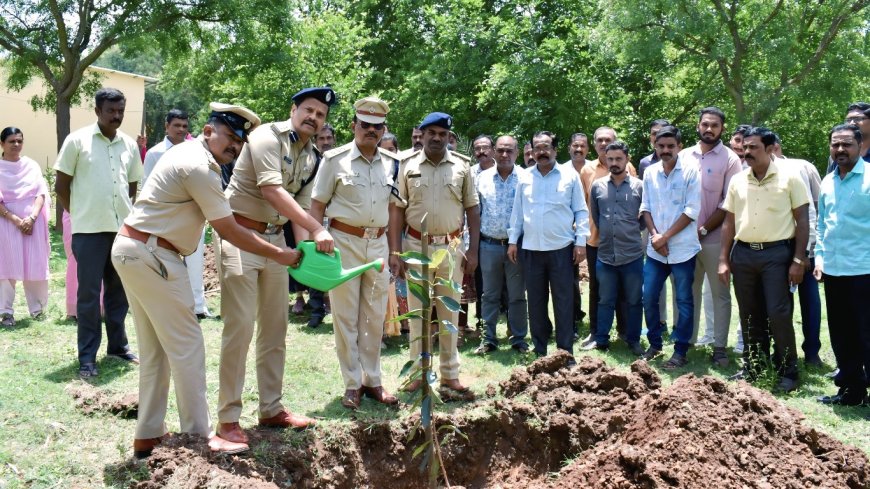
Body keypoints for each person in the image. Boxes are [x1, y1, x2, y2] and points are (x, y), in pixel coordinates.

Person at [113, 103, 303, 458]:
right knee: (188, 348)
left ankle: (149, 435)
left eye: (239, 141)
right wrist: (279, 253)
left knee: (156, 352)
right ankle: (198, 439)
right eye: (229, 136)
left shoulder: (194, 157)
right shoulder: (199, 166)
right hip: (153, 253)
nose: (234, 145)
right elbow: (228, 227)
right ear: (207, 130)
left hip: (136, 248)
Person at [217, 87, 336, 444]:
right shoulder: (265, 135)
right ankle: (228, 420)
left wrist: (307, 251)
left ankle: (271, 409)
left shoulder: (312, 157)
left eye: (321, 115)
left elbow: (298, 207)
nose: (314, 118)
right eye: (309, 110)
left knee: (275, 328)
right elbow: (272, 190)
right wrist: (318, 228)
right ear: (294, 109)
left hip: (275, 240)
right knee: (239, 328)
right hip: (239, 234)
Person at [309, 96, 400, 410]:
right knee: (345, 317)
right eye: (365, 125)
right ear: (354, 126)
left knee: (374, 317)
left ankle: (372, 380)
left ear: (383, 128)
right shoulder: (334, 160)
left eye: (377, 127)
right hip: (343, 242)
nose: (370, 131)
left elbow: (392, 207)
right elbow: (317, 206)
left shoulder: (392, 162)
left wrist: (394, 251)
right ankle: (352, 383)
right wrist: (317, 242)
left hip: (378, 245)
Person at [54, 87, 142, 379]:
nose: (116, 116)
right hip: (89, 231)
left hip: (121, 232)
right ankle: (87, 358)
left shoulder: (129, 145)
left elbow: (131, 187)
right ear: (97, 111)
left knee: (119, 292)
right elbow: (62, 186)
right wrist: (78, 213)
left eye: (120, 111)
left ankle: (117, 347)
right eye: (110, 111)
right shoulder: (77, 141)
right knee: (89, 296)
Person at [389, 112, 480, 393]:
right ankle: (417, 372)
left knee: (449, 314)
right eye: (432, 133)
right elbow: (397, 210)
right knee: (417, 313)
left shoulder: (463, 167)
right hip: (416, 246)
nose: (437, 138)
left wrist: (473, 250)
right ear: (422, 134)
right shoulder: (406, 165)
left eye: (443, 134)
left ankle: (450, 374)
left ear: (449, 137)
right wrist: (395, 251)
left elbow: (472, 209)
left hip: (452, 248)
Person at [719, 127, 809, 393]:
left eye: (754, 147)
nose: (747, 153)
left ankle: (788, 371)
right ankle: (754, 365)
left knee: (778, 313)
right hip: (744, 253)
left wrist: (798, 260)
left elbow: (802, 220)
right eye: (745, 147)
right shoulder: (738, 180)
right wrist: (723, 259)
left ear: (770, 149)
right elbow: (729, 221)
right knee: (749, 313)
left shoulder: (790, 177)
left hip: (777, 255)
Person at [508, 131, 588, 364]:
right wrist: (513, 240)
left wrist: (580, 242)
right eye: (537, 148)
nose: (541, 152)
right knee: (535, 301)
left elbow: (581, 211)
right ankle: (540, 351)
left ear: (555, 150)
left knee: (564, 301)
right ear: (532, 151)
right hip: (531, 249)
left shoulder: (569, 175)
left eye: (546, 147)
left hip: (561, 248)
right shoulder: (524, 177)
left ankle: (565, 353)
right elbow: (517, 212)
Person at [679, 107, 742, 367]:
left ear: (722, 129)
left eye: (714, 125)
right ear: (698, 125)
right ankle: (688, 341)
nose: (709, 129)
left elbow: (730, 202)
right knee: (686, 292)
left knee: (720, 294)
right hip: (684, 239)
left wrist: (703, 228)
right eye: (705, 124)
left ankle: (719, 347)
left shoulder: (730, 159)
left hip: (715, 238)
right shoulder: (683, 156)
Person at [814, 123, 870, 406]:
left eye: (846, 144)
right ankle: (851, 390)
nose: (840, 149)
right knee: (842, 335)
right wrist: (820, 257)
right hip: (834, 271)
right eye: (835, 144)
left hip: (864, 270)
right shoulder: (828, 181)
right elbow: (822, 224)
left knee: (867, 335)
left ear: (860, 146)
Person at [640, 126, 702, 368]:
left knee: (684, 300)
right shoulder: (650, 172)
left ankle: (680, 350)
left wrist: (665, 237)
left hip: (683, 249)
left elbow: (691, 211)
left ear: (679, 146)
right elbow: (645, 207)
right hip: (656, 250)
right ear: (655, 146)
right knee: (648, 297)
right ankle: (654, 344)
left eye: (670, 146)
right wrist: (656, 237)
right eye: (661, 146)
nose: (665, 150)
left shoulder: (691, 171)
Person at [582, 141, 644, 355]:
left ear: (627, 159)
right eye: (611, 159)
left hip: (632, 255)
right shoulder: (598, 186)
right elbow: (597, 217)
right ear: (605, 160)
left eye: (619, 159)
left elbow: (643, 220)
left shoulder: (639, 186)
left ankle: (634, 339)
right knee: (605, 299)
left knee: (634, 300)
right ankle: (602, 339)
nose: (615, 163)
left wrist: (627, 232)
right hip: (606, 254)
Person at [474, 135, 529, 354]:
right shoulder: (482, 178)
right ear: (494, 152)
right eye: (501, 150)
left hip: (518, 246)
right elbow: (475, 213)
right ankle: (488, 339)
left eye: (509, 150)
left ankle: (518, 338)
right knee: (489, 295)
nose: (505, 155)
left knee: (516, 295)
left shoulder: (526, 177)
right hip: (488, 245)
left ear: (517, 152)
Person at [773, 134, 823, 367]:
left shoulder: (802, 167)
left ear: (775, 147)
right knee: (781, 303)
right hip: (777, 248)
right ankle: (783, 352)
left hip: (805, 246)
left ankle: (812, 352)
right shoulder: (755, 174)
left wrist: (808, 251)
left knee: (809, 300)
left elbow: (815, 207)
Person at [0, 127, 50, 327]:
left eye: (19, 141)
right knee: (5, 266)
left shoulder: (31, 165)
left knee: (35, 263)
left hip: (33, 223)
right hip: (5, 222)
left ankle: (37, 309)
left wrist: (31, 218)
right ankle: (6, 312)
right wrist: (15, 220)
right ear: (2, 144)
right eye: (12, 141)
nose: (16, 145)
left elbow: (41, 192)